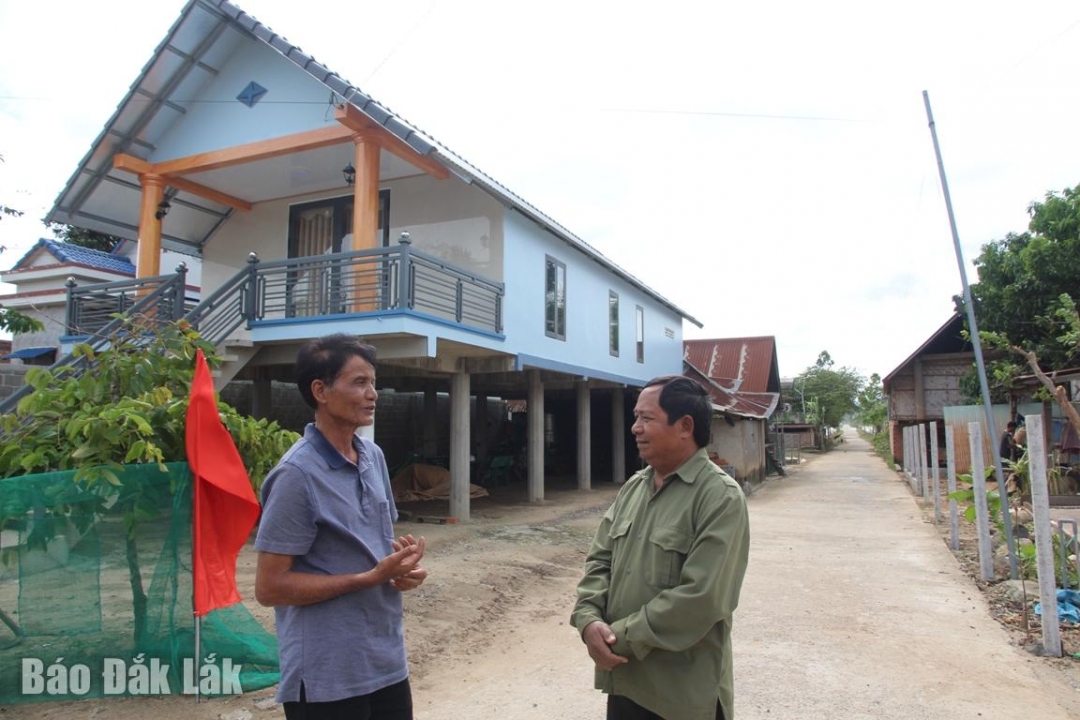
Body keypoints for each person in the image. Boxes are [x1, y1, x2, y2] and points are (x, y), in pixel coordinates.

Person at [255, 334, 428, 720]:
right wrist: (368, 578)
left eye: (373, 382)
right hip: (325, 677)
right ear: (321, 390)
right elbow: (269, 588)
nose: (373, 394)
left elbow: (375, 548)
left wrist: (401, 569)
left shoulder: (373, 456)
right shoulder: (296, 475)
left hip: (385, 660)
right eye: (359, 383)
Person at [571, 375, 750, 720]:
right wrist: (588, 618)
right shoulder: (634, 488)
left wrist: (615, 638)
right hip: (625, 681)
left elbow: (704, 597)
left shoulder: (719, 497)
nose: (635, 428)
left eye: (647, 418)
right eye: (636, 417)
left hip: (680, 695)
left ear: (685, 426)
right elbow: (600, 560)